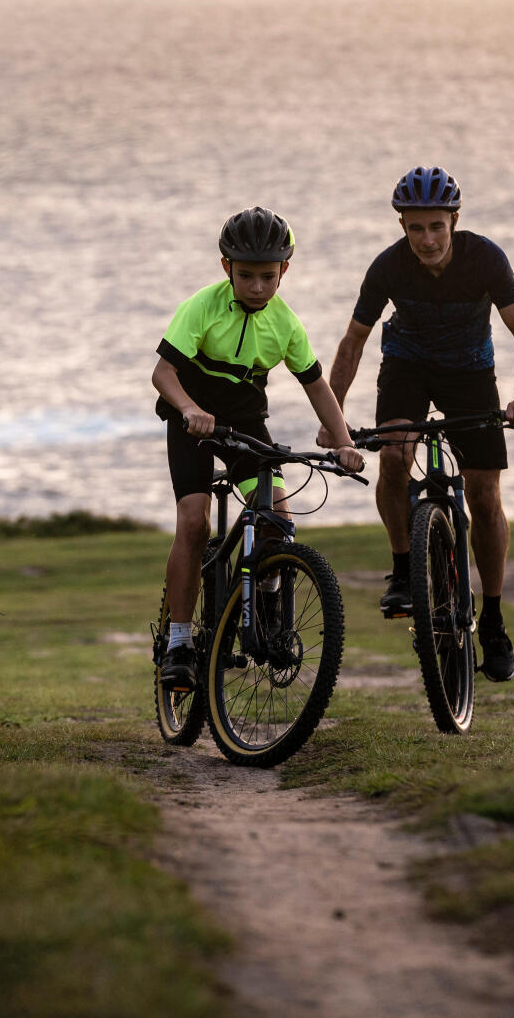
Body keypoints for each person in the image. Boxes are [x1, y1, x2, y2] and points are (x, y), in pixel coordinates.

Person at [317, 166, 514, 681]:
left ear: (454, 221)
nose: (427, 239)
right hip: (407, 368)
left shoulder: (486, 259)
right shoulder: (388, 268)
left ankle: (493, 619)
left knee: (484, 497)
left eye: (436, 226)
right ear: (402, 227)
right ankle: (402, 569)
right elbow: (352, 343)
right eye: (415, 228)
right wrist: (335, 419)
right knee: (394, 454)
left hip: (470, 372)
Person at [152, 207, 364, 693]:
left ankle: (266, 601)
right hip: (191, 421)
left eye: (268, 277)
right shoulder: (201, 307)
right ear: (226, 267)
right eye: (245, 275)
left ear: (284, 271)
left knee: (278, 520)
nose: (256, 287)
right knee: (193, 522)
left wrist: (345, 443)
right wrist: (189, 408)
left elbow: (316, 387)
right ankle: (181, 642)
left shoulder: (285, 323)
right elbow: (162, 374)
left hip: (246, 424)